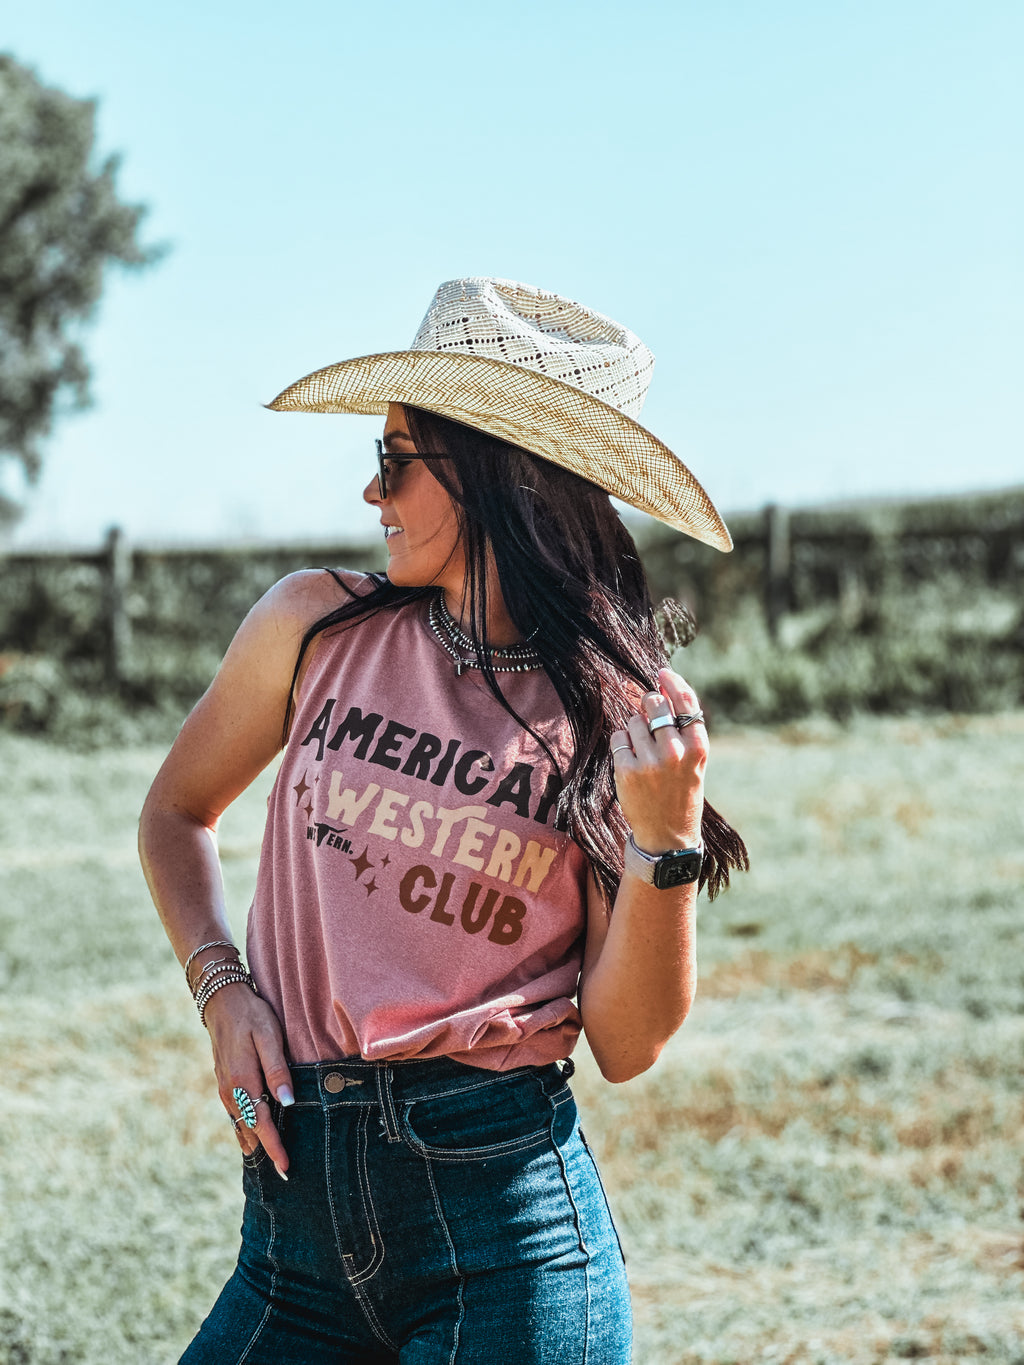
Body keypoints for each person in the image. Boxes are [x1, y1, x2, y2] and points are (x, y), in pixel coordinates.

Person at [139, 276, 748, 1364]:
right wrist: (221, 990)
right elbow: (176, 813)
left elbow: (627, 1040)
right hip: (291, 1243)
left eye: (394, 462)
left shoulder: (621, 714)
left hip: (508, 1241)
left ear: (493, 476)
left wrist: (664, 841)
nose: (371, 496)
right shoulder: (314, 628)